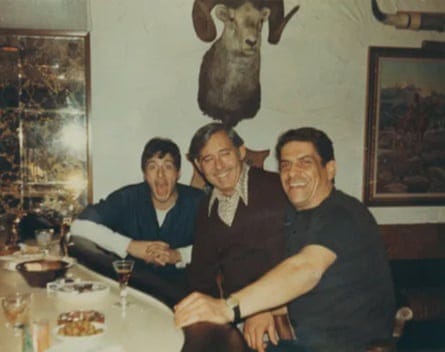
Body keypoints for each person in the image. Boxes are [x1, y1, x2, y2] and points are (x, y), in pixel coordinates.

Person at [175, 127, 396, 352]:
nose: (293, 173)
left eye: (305, 162)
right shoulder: (299, 216)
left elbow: (304, 269)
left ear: (330, 169)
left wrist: (228, 308)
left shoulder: (342, 214)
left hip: (347, 344)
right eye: (286, 165)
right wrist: (264, 309)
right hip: (302, 337)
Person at [186, 123, 290, 351]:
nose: (219, 166)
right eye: (208, 159)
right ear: (198, 165)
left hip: (287, 317)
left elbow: (301, 260)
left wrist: (269, 307)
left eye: (224, 154)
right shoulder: (205, 209)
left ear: (241, 152)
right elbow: (201, 277)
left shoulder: (277, 188)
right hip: (239, 319)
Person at [70, 137, 204, 306]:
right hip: (134, 296)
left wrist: (178, 255)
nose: (160, 174)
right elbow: (79, 226)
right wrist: (130, 246)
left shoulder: (199, 201)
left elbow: (218, 245)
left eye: (168, 166)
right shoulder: (128, 198)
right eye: (152, 166)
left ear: (178, 173)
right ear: (145, 174)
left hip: (184, 299)